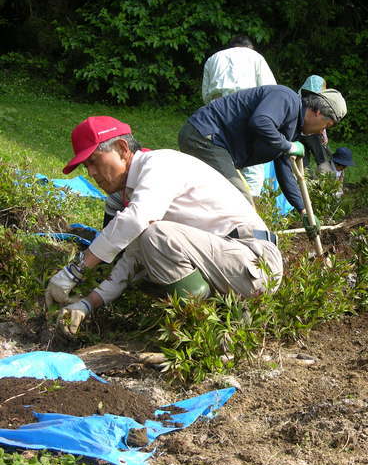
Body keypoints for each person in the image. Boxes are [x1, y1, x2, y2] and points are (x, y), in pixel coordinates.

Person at [46, 116, 283, 337]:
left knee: (156, 237)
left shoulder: (159, 165)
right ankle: (220, 325)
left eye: (94, 161)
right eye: (86, 167)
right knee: (145, 261)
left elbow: (138, 221)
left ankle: (208, 334)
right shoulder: (139, 193)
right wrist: (87, 304)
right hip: (232, 262)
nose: (91, 173)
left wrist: (74, 271)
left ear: (122, 148)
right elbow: (131, 260)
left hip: (254, 261)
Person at [178, 85, 347, 239]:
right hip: (206, 136)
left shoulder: (294, 128)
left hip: (214, 144)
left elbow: (285, 171)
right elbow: (260, 121)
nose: (322, 131)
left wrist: (303, 210)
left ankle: (190, 239)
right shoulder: (285, 99)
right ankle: (244, 258)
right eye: (326, 125)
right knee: (240, 201)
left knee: (209, 200)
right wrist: (287, 146)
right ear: (317, 112)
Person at [201, 35, 277, 199]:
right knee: (252, 164)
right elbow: (271, 91)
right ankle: (253, 207)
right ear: (249, 48)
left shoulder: (213, 59)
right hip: (246, 111)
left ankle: (221, 203)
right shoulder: (255, 57)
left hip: (216, 112)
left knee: (220, 159)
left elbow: (205, 95)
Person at [297, 75, 333, 174]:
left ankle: (310, 180)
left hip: (305, 132)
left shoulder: (300, 96)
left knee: (307, 157)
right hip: (307, 133)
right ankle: (312, 181)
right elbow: (320, 118)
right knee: (313, 158)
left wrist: (323, 133)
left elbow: (319, 118)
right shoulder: (316, 99)